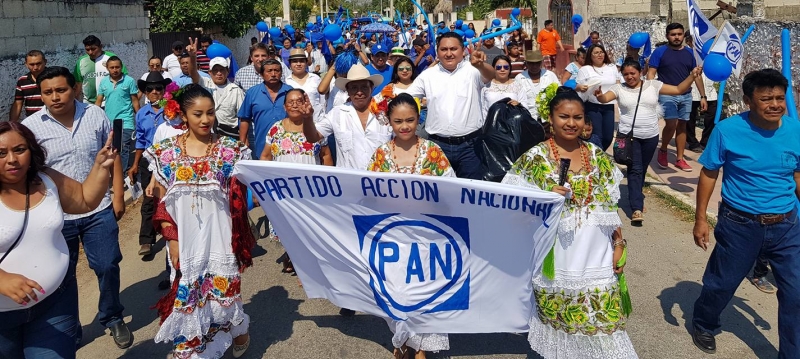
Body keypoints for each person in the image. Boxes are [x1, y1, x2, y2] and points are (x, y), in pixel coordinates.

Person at [502, 87, 636, 359]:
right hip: (557, 257)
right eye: (564, 116)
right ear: (550, 119)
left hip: (597, 254)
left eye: (578, 117)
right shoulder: (535, 158)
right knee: (563, 327)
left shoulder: (597, 157)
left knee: (603, 326)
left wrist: (619, 243)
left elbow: (609, 206)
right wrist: (543, 198)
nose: (571, 123)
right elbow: (511, 206)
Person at [691, 69, 800, 357]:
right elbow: (709, 173)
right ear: (748, 101)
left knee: (796, 293)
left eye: (780, 98)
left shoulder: (795, 130)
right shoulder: (727, 131)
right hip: (740, 224)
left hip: (786, 225)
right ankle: (704, 321)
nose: (775, 104)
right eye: (766, 99)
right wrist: (700, 219)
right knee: (722, 283)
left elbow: (798, 175)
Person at [21, 66, 132, 349]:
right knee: (62, 275)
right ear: (41, 95)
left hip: (98, 209)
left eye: (61, 90)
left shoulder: (94, 115)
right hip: (56, 214)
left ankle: (112, 315)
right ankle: (68, 327)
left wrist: (118, 195)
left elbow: (113, 155)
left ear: (75, 89)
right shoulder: (32, 128)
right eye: (48, 92)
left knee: (107, 264)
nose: (55, 97)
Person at [147, 84, 254, 359]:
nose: (206, 120)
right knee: (189, 304)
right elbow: (161, 203)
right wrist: (172, 238)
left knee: (223, 301)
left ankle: (238, 328)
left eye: (210, 113)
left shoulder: (231, 151)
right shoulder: (166, 153)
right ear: (183, 115)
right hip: (186, 244)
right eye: (198, 114)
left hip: (220, 240)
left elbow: (244, 198)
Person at [0, 121, 117, 359]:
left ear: (32, 151)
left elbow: (84, 200)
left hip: (54, 303)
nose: (12, 159)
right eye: (1, 153)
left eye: (19, 150)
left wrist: (100, 167)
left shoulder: (47, 180)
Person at [365, 93, 454, 359]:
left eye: (410, 120)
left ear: (418, 120)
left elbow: (451, 189)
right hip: (392, 236)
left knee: (424, 290)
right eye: (398, 121)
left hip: (427, 235)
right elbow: (367, 192)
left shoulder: (433, 151)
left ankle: (421, 347)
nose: (404, 126)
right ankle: (402, 337)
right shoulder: (381, 154)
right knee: (396, 290)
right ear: (389, 122)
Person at [595, 60, 700, 223]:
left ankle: (636, 193)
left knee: (642, 168)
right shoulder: (618, 89)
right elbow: (604, 98)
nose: (629, 77)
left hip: (651, 136)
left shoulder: (653, 85)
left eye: (633, 73)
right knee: (635, 168)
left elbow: (679, 89)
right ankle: (636, 207)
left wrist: (692, 77)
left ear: (640, 72)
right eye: (626, 74)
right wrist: (599, 96)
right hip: (629, 137)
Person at [405, 32, 496, 179]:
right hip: (437, 145)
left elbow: (491, 75)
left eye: (453, 49)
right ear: (437, 52)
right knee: (439, 194)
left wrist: (481, 65)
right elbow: (406, 97)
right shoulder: (428, 75)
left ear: (462, 50)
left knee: (469, 193)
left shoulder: (473, 70)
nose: (448, 54)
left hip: (470, 147)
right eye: (443, 49)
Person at [647, 23, 707, 172]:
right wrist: (650, 91)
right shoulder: (660, 52)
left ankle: (680, 158)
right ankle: (663, 150)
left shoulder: (690, 53)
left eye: (679, 34)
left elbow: (695, 76)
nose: (677, 37)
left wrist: (703, 96)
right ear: (667, 36)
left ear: (683, 36)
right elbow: (651, 73)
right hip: (666, 94)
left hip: (686, 95)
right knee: (671, 123)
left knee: (682, 126)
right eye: (673, 34)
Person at [129, 72, 172, 257]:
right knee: (148, 199)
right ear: (145, 92)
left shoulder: (172, 110)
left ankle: (172, 232)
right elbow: (140, 140)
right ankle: (146, 240)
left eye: (158, 88)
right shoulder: (141, 114)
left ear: (164, 90)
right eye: (150, 89)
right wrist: (135, 164)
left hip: (169, 160)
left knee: (171, 198)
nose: (154, 92)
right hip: (148, 161)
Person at [238, 59, 293, 159]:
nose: (273, 74)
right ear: (262, 74)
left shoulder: (290, 92)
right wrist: (243, 140)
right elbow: (244, 118)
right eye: (269, 71)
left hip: (288, 144)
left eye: (276, 71)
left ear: (281, 73)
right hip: (262, 144)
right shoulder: (252, 93)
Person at [95, 56, 140, 174]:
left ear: (121, 67)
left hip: (126, 120)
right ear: (107, 68)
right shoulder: (104, 82)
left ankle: (122, 175)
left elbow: (135, 101)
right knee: (111, 149)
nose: (115, 70)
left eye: (117, 67)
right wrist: (94, 116)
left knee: (123, 148)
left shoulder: (129, 81)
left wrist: (140, 118)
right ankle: (113, 173)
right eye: (112, 67)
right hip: (109, 121)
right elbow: (98, 101)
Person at [574, 44, 620, 151]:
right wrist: (580, 87)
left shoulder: (612, 68)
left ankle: (597, 155)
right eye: (596, 53)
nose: (599, 55)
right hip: (592, 105)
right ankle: (596, 159)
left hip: (608, 105)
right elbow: (577, 87)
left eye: (601, 52)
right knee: (597, 135)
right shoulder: (585, 69)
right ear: (590, 55)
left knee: (608, 137)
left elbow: (618, 85)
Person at [74, 35, 126, 105]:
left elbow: (123, 79)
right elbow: (78, 84)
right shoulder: (81, 61)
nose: (90, 52)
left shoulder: (111, 58)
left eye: (93, 49)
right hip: (88, 104)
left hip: (109, 103)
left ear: (101, 47)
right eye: (87, 49)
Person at [515, 50, 560, 121]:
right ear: (526, 63)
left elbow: (559, 93)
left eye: (537, 63)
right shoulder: (519, 78)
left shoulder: (550, 75)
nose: (534, 66)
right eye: (531, 63)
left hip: (548, 118)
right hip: (527, 118)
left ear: (541, 63)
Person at [285, 49, 324, 122]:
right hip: (295, 124)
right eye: (295, 61)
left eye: (301, 61)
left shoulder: (315, 78)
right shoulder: (286, 82)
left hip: (317, 122)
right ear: (290, 64)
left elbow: (323, 101)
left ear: (306, 63)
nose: (298, 64)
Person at [10, 50, 46, 122]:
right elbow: (18, 104)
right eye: (32, 64)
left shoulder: (54, 78)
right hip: (32, 121)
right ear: (26, 64)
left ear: (45, 62)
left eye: (38, 63)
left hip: (53, 120)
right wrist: (11, 125)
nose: (35, 67)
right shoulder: (22, 81)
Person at [687, 72, 718, 152]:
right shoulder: (693, 60)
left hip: (710, 93)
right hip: (692, 92)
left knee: (711, 117)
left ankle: (705, 142)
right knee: (690, 119)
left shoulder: (712, 59)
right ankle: (692, 142)